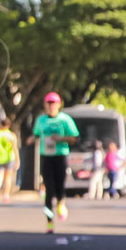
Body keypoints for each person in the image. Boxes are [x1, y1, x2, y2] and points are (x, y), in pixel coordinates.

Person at [26, 92, 79, 233]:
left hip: (60, 155)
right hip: (46, 156)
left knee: (59, 184)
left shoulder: (65, 120)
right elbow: (36, 134)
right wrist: (32, 139)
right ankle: (49, 223)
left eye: (53, 103)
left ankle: (61, 202)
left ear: (59, 104)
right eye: (48, 103)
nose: (51, 106)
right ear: (45, 105)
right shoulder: (41, 120)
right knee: (49, 188)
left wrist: (60, 138)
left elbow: (74, 138)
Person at [0, 118, 20, 202]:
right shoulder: (11, 135)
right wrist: (17, 159)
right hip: (10, 157)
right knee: (8, 177)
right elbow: (15, 148)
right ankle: (6, 195)